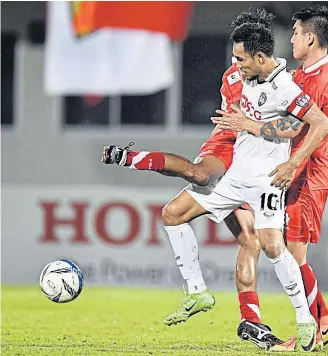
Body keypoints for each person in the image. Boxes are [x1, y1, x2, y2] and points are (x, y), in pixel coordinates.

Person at [102, 9, 287, 351]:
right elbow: (240, 121)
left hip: (253, 161)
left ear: (261, 54)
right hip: (229, 147)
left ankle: (250, 320)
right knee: (193, 185)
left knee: (250, 240)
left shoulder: (283, 80)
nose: (237, 62)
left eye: (241, 56)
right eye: (236, 56)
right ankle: (130, 158)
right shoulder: (235, 77)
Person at [211, 4, 328, 349]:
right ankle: (325, 320)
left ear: (310, 38)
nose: (292, 38)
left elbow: (312, 127)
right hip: (294, 173)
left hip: (306, 175)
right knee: (283, 250)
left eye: (296, 33)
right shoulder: (301, 75)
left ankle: (315, 330)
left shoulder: (320, 80)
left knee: (293, 255)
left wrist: (290, 162)